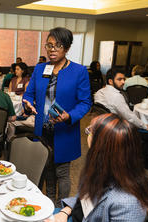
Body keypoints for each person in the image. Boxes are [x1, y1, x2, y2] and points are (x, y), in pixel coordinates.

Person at [45, 113, 148, 222]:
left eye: (90, 131)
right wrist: (65, 211)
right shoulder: (101, 167)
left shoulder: (128, 203)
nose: (87, 134)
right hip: (73, 220)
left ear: (100, 145)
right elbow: (83, 198)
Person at [23, 27, 91, 207]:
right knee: (47, 169)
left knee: (62, 171)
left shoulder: (79, 71)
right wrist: (27, 103)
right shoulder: (40, 69)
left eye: (58, 46)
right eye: (49, 45)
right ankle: (50, 204)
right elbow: (29, 94)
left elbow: (85, 102)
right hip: (42, 129)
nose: (52, 50)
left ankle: (62, 208)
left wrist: (70, 115)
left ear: (67, 48)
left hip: (64, 130)